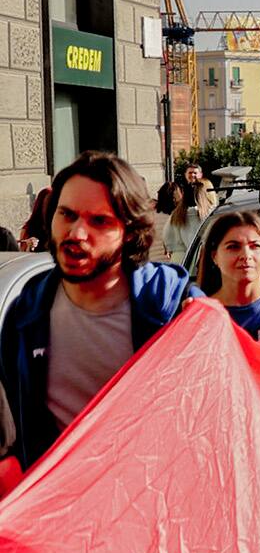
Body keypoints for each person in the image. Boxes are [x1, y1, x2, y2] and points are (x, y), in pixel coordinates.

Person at [1, 153, 197, 472]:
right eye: (67, 215)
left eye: (99, 221)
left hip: (149, 500)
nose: (76, 234)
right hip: (59, 506)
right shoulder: (26, 311)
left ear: (131, 231)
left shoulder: (175, 305)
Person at [199, 209, 260, 339]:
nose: (246, 255)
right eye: (233, 247)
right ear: (214, 256)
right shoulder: (200, 314)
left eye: (255, 246)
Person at [164, 163, 217, 265]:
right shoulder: (211, 214)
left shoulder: (177, 214)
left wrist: (172, 248)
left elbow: (168, 236)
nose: (192, 175)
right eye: (190, 172)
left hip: (180, 261)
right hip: (201, 260)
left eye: (195, 173)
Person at [19, 185, 53, 253]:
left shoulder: (62, 226)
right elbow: (22, 257)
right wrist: (30, 247)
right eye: (49, 204)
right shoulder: (29, 229)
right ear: (41, 206)